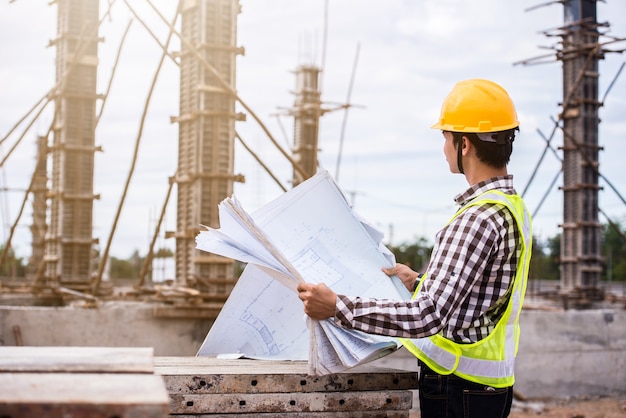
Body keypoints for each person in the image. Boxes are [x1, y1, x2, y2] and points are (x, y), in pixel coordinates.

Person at [297, 78, 533, 418]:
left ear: (464, 144)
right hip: (488, 390)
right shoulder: (512, 207)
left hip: (458, 389)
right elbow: (484, 295)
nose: (444, 147)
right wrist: (421, 282)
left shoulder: (476, 218)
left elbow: (427, 316)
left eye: (445, 138)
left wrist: (337, 306)